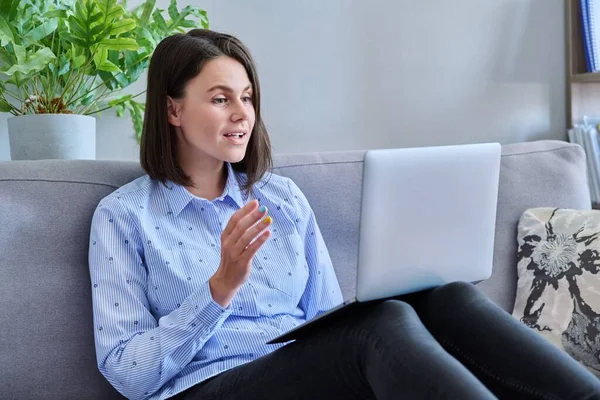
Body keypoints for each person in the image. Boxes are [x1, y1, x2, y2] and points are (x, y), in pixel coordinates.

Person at [88, 28, 600, 400]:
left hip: (305, 375)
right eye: (220, 99)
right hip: (206, 387)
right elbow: (128, 374)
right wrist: (218, 290)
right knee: (380, 324)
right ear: (173, 110)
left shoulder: (281, 199)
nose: (243, 113)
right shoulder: (126, 217)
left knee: (448, 298)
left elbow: (327, 320)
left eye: (247, 98)